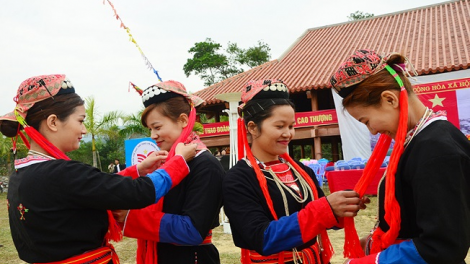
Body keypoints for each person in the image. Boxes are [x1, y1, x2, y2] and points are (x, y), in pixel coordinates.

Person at [0, 74, 198, 264]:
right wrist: (178, 162)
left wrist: (137, 169)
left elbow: (94, 188)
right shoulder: (62, 172)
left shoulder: (21, 174)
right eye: (80, 120)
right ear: (53, 122)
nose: (84, 130)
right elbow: (139, 192)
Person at [329, 49, 470, 263]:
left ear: (390, 99)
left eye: (366, 121)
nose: (373, 131)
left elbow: (442, 248)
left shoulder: (436, 149)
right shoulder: (422, 141)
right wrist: (371, 244)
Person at [222, 79, 367, 264]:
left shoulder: (302, 171)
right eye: (279, 126)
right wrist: (325, 209)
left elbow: (324, 217)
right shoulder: (238, 179)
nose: (288, 133)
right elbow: (261, 237)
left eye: (291, 126)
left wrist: (342, 207)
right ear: (252, 127)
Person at [113, 80, 225, 263]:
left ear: (182, 120)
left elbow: (193, 230)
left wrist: (131, 217)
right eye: (150, 129)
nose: (152, 136)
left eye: (157, 127)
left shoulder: (206, 165)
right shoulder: (164, 163)